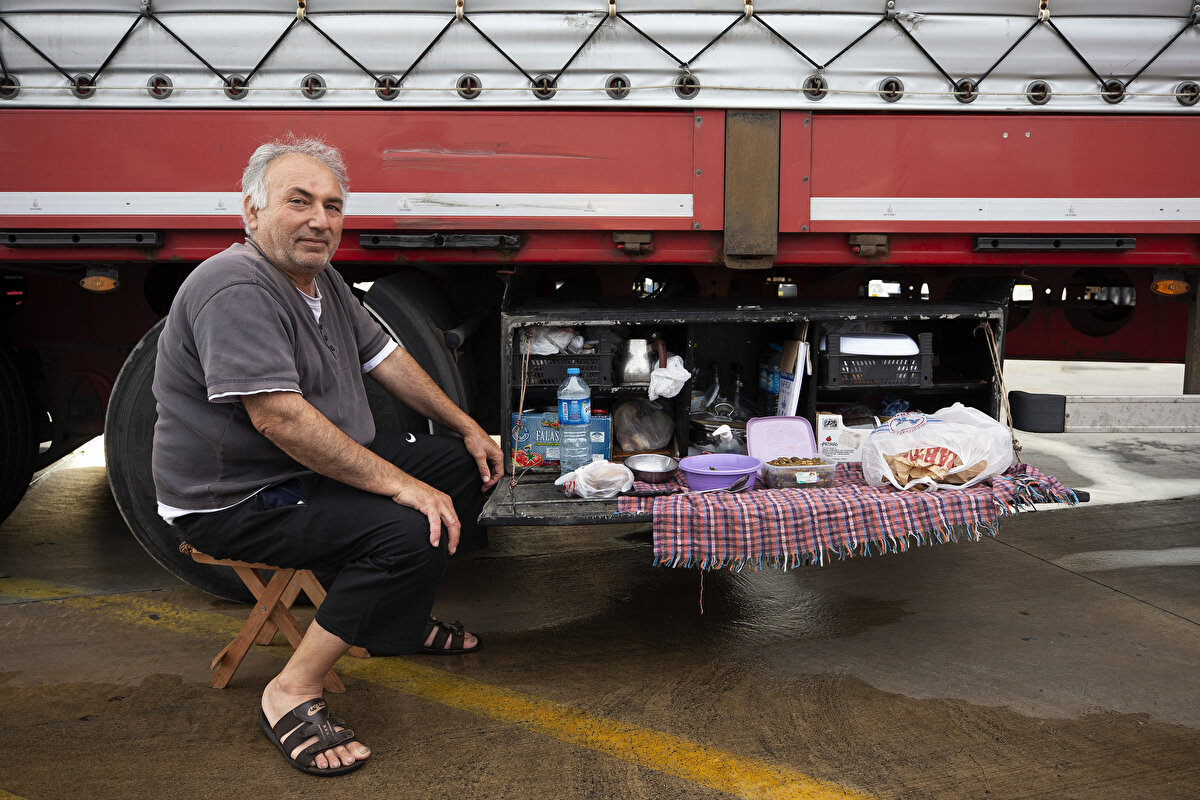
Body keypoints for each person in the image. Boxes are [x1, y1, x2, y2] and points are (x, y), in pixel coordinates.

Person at [151, 135, 503, 776]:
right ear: (252, 212)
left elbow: (387, 359)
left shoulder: (322, 280)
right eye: (300, 202)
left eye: (334, 206)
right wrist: (400, 485)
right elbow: (280, 418)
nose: (321, 220)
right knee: (408, 527)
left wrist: (469, 426)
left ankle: (397, 622)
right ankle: (290, 690)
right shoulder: (235, 286)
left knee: (461, 465)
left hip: (303, 472)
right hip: (237, 495)